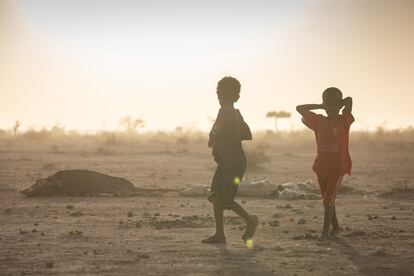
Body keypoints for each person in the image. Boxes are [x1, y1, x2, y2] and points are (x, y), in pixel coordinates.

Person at [202, 76, 258, 244]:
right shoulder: (235, 113)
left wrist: (213, 136)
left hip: (232, 163)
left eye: (222, 94)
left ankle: (250, 221)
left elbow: (219, 135)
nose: (220, 98)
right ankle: (220, 234)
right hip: (229, 162)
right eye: (219, 94)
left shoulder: (225, 111)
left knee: (225, 200)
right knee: (215, 195)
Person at [296, 87, 354, 240]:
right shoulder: (318, 121)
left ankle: (325, 232)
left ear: (339, 106)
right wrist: (322, 106)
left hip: (338, 167)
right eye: (328, 105)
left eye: (335, 105)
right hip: (321, 166)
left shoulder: (344, 120)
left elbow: (349, 100)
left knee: (328, 199)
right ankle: (336, 227)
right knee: (328, 199)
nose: (331, 109)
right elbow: (299, 108)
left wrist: (338, 104)